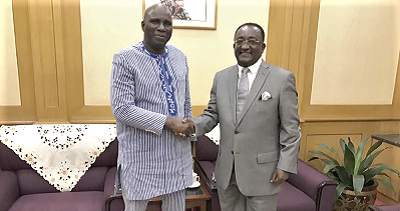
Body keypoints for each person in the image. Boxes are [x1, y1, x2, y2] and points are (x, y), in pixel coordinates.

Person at [184, 23, 301, 211]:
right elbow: (212, 114)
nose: (245, 46)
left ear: (262, 47)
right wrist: (191, 126)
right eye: (240, 41)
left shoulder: (282, 78)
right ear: (234, 46)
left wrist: (285, 165)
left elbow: (291, 128)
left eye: (252, 41)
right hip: (227, 172)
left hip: (264, 173)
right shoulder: (221, 77)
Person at [110, 4, 194, 211]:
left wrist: (190, 133)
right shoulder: (125, 59)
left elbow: (185, 101)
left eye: (167, 23)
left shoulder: (179, 56)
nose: (162, 28)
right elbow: (122, 109)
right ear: (143, 25)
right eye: (155, 22)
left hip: (176, 154)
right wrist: (167, 121)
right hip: (141, 156)